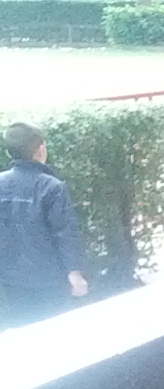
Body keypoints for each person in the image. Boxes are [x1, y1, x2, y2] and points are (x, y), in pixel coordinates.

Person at [0, 122, 88, 321]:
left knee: (22, 325)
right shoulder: (52, 187)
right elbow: (65, 232)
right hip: (48, 278)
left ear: (8, 153)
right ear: (41, 150)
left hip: (10, 278)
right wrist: (75, 274)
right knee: (54, 326)